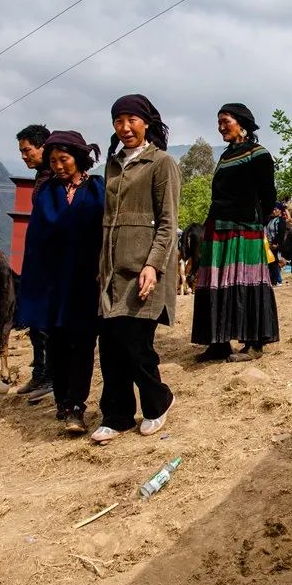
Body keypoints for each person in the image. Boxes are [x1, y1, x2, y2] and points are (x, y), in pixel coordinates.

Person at [93, 95, 180, 443]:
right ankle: (117, 416)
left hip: (143, 268)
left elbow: (168, 223)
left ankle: (158, 402)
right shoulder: (112, 165)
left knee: (134, 343)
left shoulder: (161, 163)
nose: (125, 128)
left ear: (146, 122)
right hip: (111, 270)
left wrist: (153, 266)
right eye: (118, 121)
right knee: (111, 344)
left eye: (132, 120)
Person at [16, 131, 105, 435]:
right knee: (57, 345)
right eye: (53, 161)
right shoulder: (47, 193)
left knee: (82, 343)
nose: (58, 166)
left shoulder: (97, 190)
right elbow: (36, 241)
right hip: (54, 283)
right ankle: (62, 402)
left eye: (63, 159)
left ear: (79, 158)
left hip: (86, 281)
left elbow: (106, 234)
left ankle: (77, 406)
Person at [191, 103, 279, 363]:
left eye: (225, 121)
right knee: (216, 282)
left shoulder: (259, 154)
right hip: (218, 227)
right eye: (218, 122)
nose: (220, 127)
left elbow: (268, 195)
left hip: (245, 228)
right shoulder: (226, 156)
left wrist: (257, 222)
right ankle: (218, 342)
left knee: (247, 281)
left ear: (242, 124)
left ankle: (254, 345)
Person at [15, 124, 53, 400]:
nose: (24, 156)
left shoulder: (53, 178)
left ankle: (48, 376)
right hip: (39, 258)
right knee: (37, 324)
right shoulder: (42, 176)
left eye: (27, 150)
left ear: (42, 147)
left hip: (50, 259)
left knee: (46, 324)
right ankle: (40, 372)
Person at [266, 203, 287, 286]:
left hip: (276, 245)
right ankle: (273, 280)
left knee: (274, 262)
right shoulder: (271, 220)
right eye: (273, 209)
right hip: (269, 245)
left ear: (280, 211)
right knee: (271, 263)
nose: (273, 211)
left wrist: (275, 243)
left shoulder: (281, 221)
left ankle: (278, 280)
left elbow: (280, 234)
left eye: (275, 209)